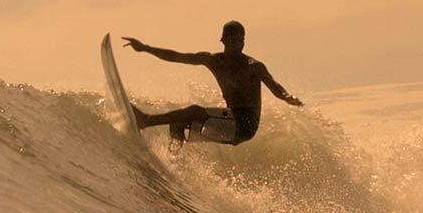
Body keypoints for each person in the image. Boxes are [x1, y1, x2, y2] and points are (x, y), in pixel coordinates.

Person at [122, 21, 303, 145]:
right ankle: (174, 163)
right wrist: (145, 48)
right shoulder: (214, 61)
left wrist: (287, 97)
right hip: (228, 122)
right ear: (223, 39)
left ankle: (146, 121)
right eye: (233, 39)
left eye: (241, 39)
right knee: (177, 122)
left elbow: (274, 86)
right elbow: (177, 56)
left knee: (194, 111)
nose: (237, 43)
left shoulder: (253, 66)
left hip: (245, 125)